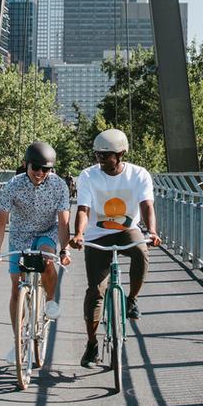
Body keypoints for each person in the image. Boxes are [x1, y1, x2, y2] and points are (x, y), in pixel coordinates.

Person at [67, 127, 159, 368]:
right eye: (97, 154)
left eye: (105, 156)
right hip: (97, 234)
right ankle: (91, 344)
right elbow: (84, 209)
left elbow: (147, 205)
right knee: (95, 292)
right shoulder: (88, 175)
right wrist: (78, 234)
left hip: (126, 230)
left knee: (140, 251)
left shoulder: (139, 175)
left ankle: (132, 299)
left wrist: (152, 232)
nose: (100, 160)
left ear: (120, 155)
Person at [0, 140, 71, 351]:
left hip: (46, 233)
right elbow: (2, 221)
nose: (41, 173)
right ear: (26, 164)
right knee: (16, 288)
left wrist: (64, 249)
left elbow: (63, 222)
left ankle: (50, 301)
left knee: (47, 261)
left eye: (46, 169)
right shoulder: (13, 185)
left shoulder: (59, 185)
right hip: (19, 236)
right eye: (36, 167)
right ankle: (19, 342)